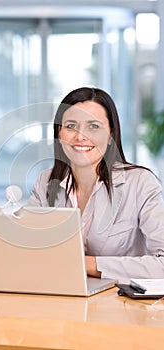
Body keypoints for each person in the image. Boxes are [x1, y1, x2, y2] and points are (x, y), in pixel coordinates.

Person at [28, 87, 164, 283]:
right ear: (59, 133)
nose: (80, 136)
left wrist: (87, 264)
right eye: (71, 126)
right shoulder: (46, 181)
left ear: (110, 135)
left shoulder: (140, 183)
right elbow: (25, 249)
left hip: (121, 304)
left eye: (93, 126)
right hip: (60, 296)